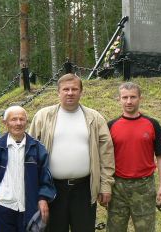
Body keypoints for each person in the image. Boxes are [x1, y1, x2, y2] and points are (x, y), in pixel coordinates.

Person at [28, 73, 115, 232]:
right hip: (52, 189)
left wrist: (106, 185)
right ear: (58, 92)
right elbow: (30, 155)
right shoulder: (43, 116)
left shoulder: (94, 118)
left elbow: (106, 154)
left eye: (74, 89)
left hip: (84, 189)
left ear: (81, 92)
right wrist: (37, 191)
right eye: (65, 89)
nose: (70, 93)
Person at [0, 106, 56, 232]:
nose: (18, 123)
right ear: (5, 123)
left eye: (21, 119)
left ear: (26, 122)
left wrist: (43, 198)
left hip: (29, 208)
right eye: (13, 119)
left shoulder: (37, 147)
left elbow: (46, 178)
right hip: (2, 206)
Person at [106, 82, 161, 232]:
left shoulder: (153, 124)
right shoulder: (110, 126)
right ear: (119, 99)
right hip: (117, 187)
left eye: (133, 97)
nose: (129, 101)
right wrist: (104, 188)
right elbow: (103, 159)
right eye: (125, 97)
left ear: (140, 98)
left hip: (144, 187)